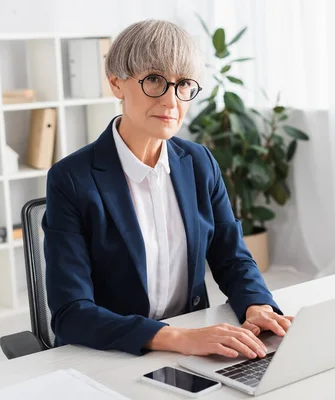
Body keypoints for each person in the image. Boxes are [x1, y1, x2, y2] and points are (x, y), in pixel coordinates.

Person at [43, 19, 292, 359]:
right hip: (111, 353)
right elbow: (71, 313)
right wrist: (177, 338)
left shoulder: (199, 162)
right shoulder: (71, 179)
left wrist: (258, 305)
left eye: (184, 84)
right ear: (116, 83)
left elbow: (232, 258)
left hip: (191, 348)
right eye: (155, 80)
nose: (172, 101)